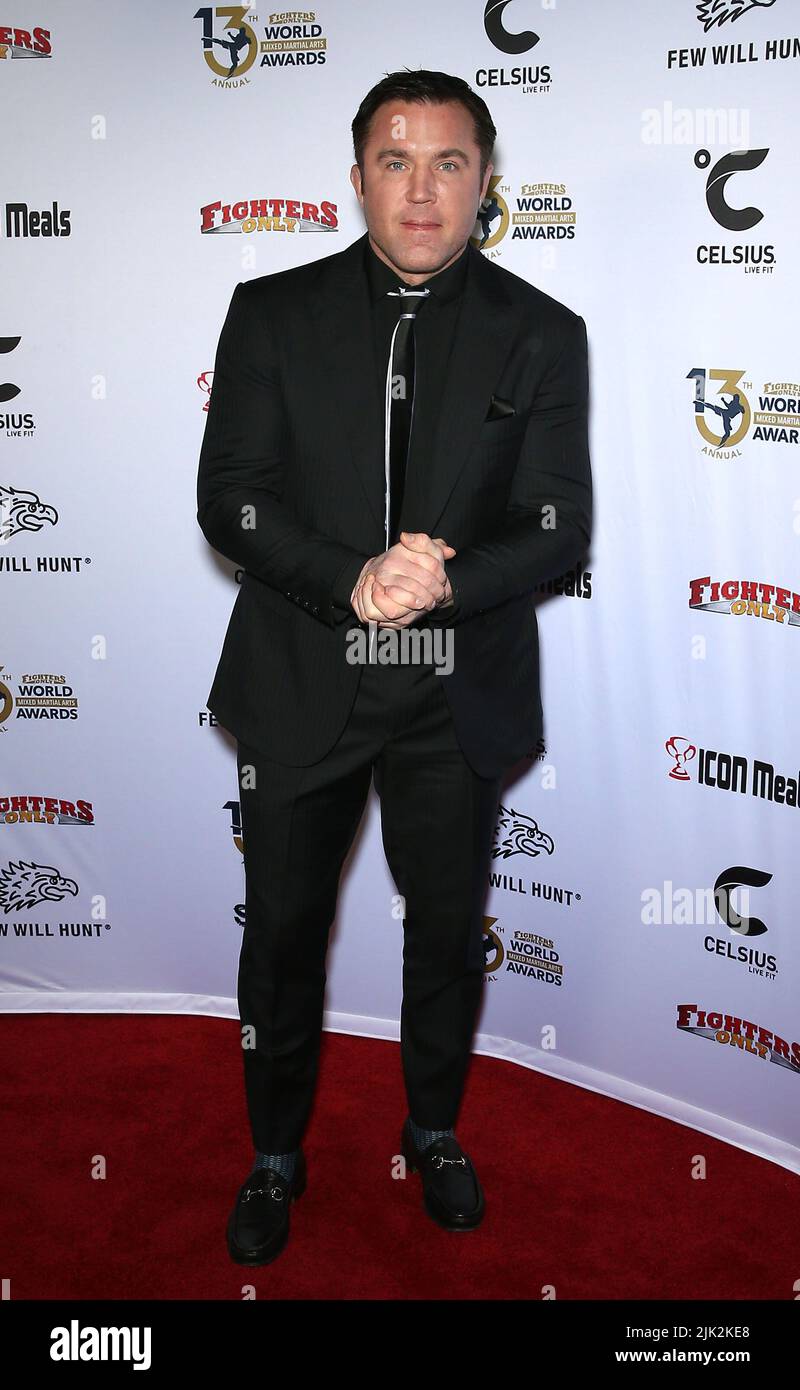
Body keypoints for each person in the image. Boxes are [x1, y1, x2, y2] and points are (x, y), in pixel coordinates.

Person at [196, 68, 592, 1267]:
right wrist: (350, 576)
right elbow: (231, 497)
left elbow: (556, 523)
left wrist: (440, 582)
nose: (421, 190)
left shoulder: (542, 330)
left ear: (484, 181)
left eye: (449, 163)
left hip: (450, 694)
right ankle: (274, 1153)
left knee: (440, 933)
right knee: (279, 934)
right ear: (357, 174)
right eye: (395, 160)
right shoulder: (269, 311)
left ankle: (431, 1131)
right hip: (303, 678)